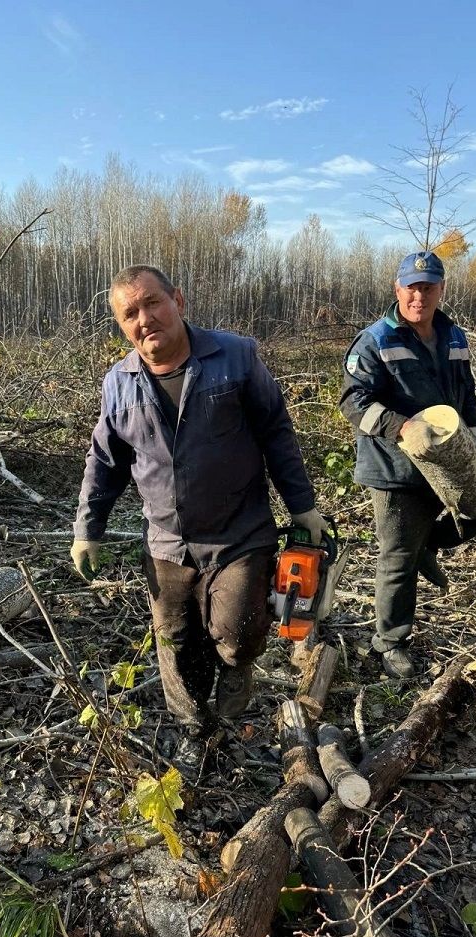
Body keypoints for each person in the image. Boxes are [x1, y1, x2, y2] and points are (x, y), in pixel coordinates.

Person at [71, 265, 325, 779]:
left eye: (152, 303)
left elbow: (276, 430)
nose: (145, 320)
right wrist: (87, 528)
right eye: (130, 313)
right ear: (121, 325)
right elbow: (105, 461)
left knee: (236, 633)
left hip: (239, 533)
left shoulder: (234, 358)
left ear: (178, 300)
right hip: (166, 542)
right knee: (175, 642)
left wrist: (301, 504)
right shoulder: (119, 383)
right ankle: (195, 729)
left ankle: (232, 706)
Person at [340, 251, 476, 679]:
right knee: (397, 558)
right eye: (411, 286)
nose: (419, 295)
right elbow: (354, 402)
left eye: (428, 287)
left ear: (441, 290)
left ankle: (432, 543)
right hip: (396, 467)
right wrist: (400, 426)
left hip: (450, 458)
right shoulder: (376, 340)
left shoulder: (454, 337)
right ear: (397, 289)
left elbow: (466, 397)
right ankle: (389, 642)